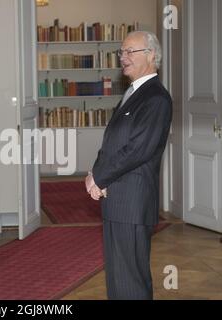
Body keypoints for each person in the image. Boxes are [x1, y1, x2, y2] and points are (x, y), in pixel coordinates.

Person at [85, 31, 172, 300]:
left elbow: (138, 149)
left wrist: (99, 177)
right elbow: (113, 140)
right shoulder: (134, 93)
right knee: (119, 279)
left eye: (130, 51)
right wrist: (95, 173)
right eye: (121, 52)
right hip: (117, 200)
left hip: (132, 203)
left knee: (131, 282)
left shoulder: (156, 98)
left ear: (152, 55)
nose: (123, 58)